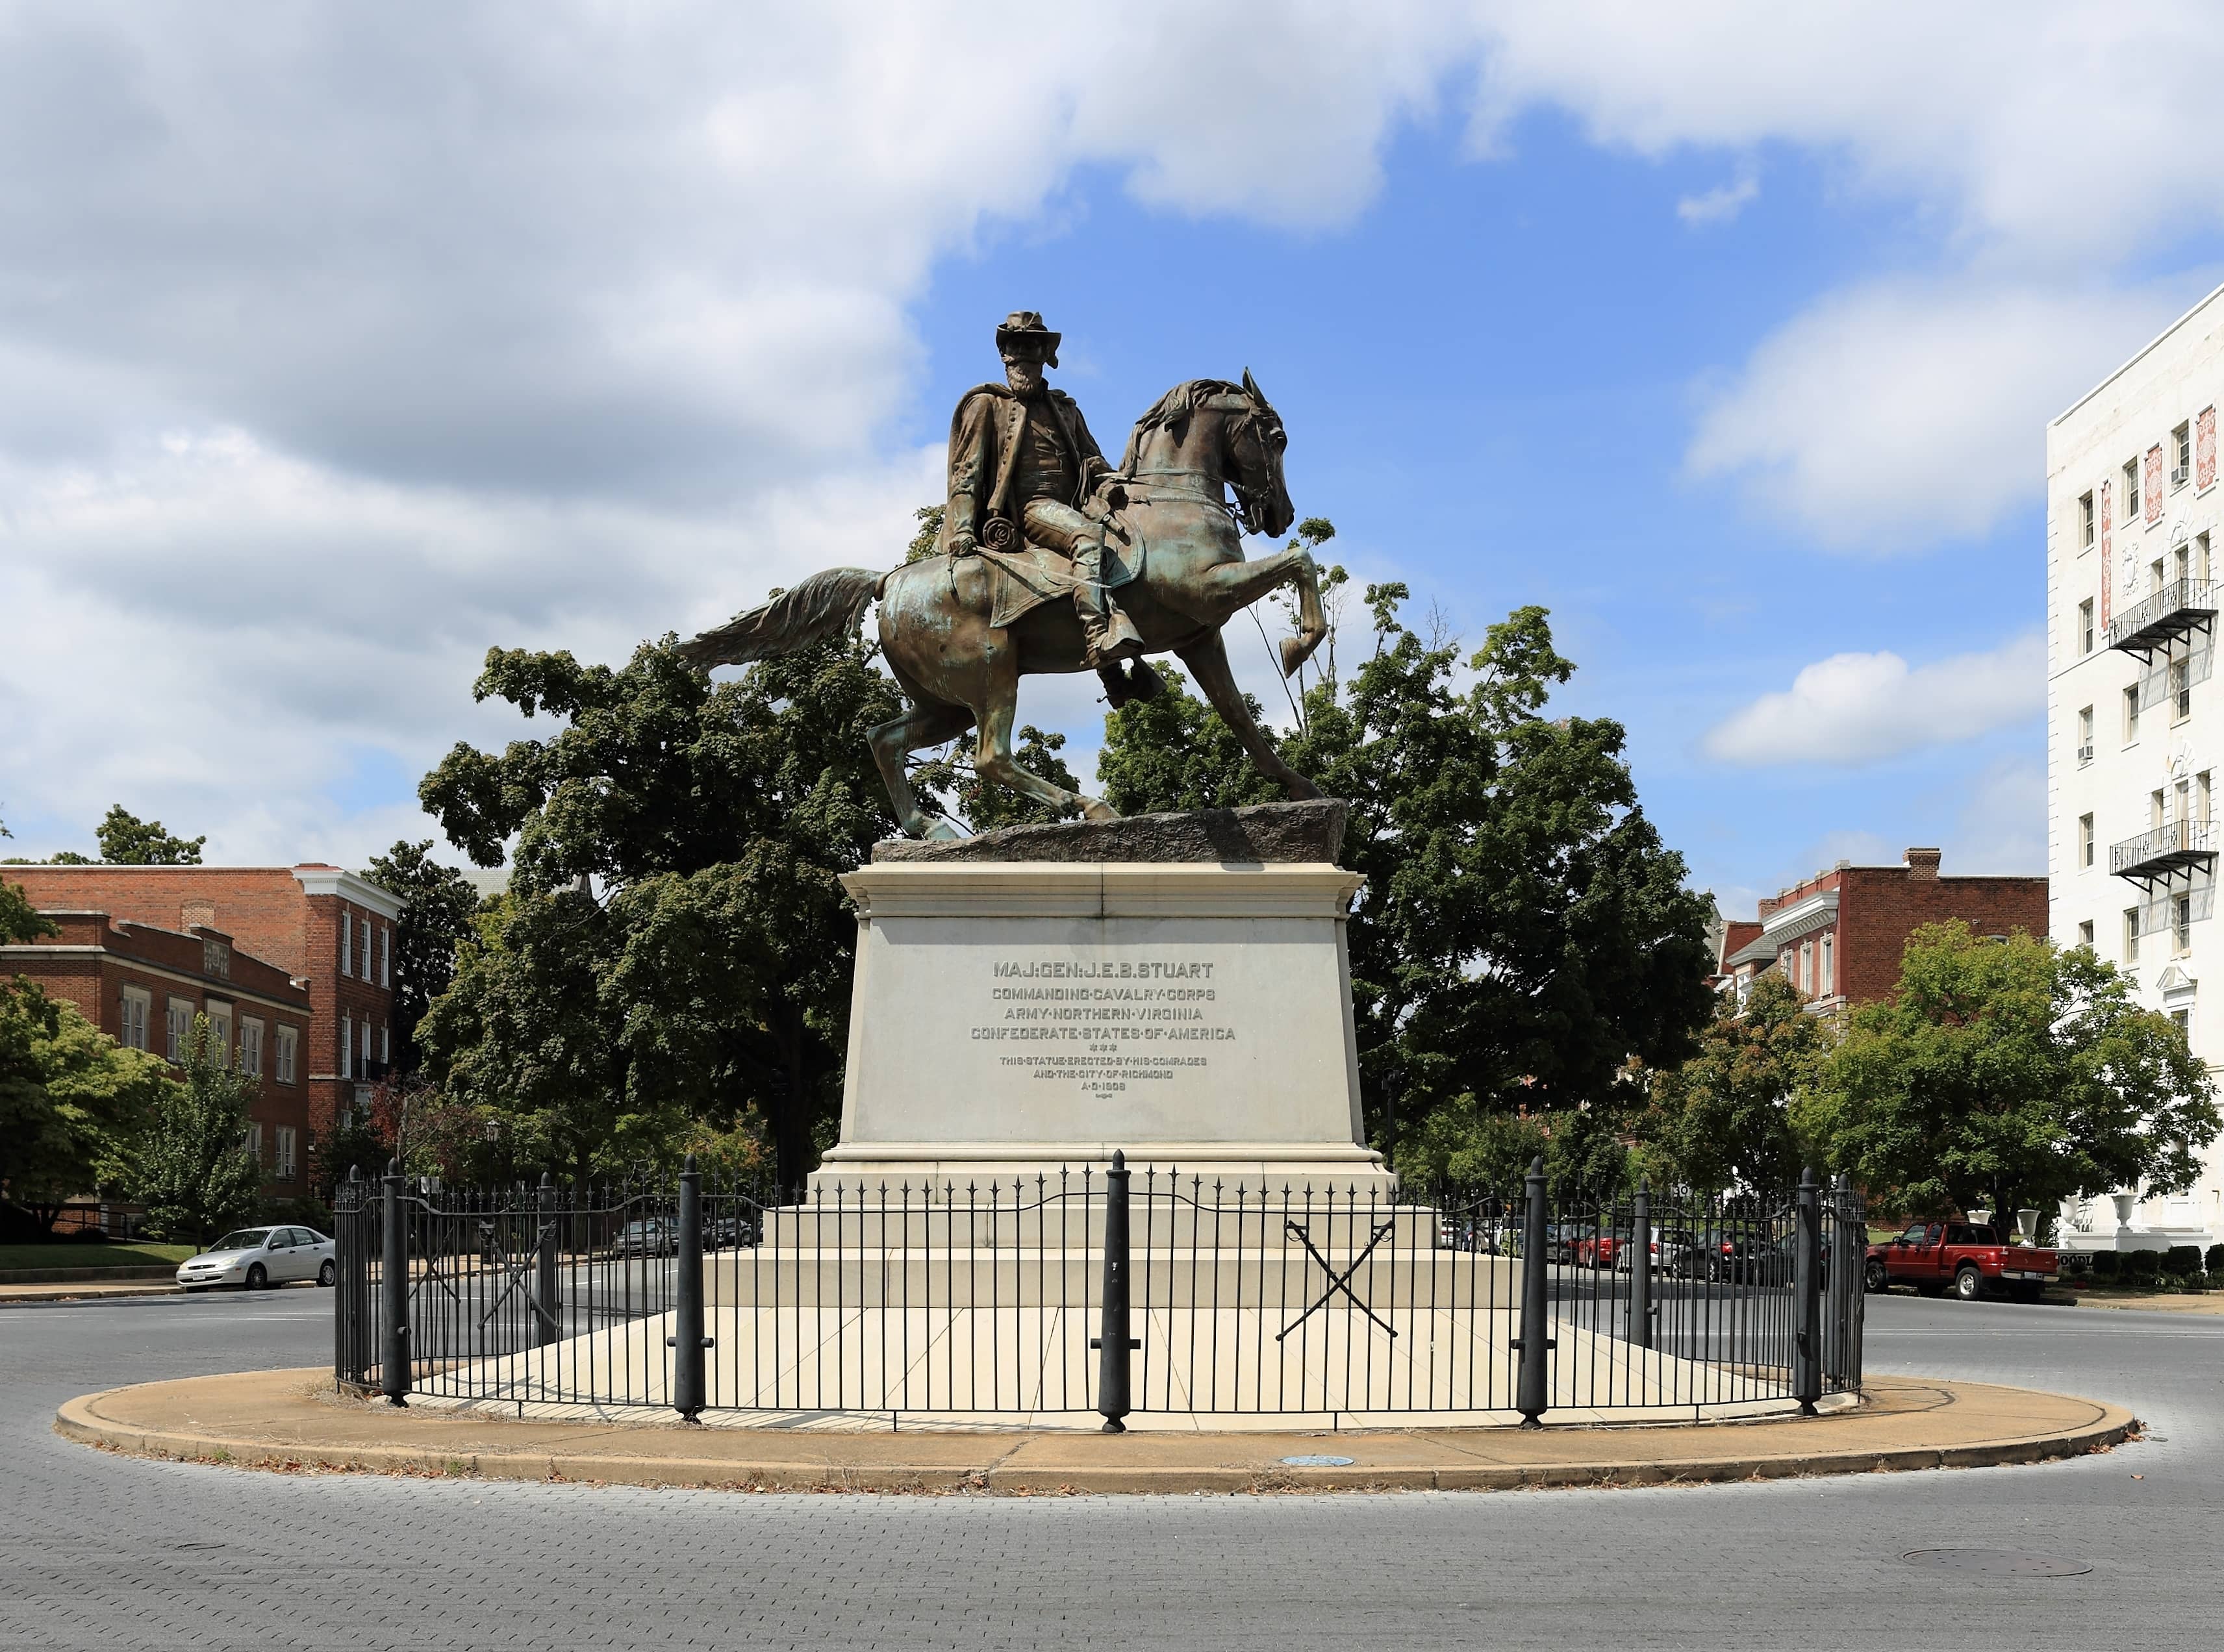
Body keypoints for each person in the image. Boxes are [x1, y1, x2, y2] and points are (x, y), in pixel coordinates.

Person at [941, 311, 1158, 706]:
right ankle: (1098, 637)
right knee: (1088, 539)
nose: (1020, 356)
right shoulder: (986, 404)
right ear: (1004, 356)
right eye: (1013, 348)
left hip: (1075, 502)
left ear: (1045, 356)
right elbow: (967, 471)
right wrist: (963, 528)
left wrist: (1110, 483)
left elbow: (1092, 461)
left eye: (1029, 348)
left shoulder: (1065, 409)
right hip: (1028, 507)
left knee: (1132, 544)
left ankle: (1118, 672)